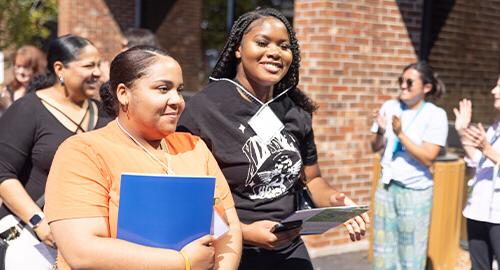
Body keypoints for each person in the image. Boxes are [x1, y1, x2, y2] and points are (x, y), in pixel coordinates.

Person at [177, 8, 369, 270]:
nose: (275, 52)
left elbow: (311, 179)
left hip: (289, 249)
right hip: (229, 249)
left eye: (284, 46)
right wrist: (244, 232)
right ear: (238, 49)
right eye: (262, 42)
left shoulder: (294, 110)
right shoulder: (204, 109)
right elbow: (187, 195)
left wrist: (336, 202)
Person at [44, 45, 242, 270]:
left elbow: (229, 228)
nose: (177, 100)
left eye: (179, 89)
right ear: (123, 93)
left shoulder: (194, 147)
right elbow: (83, 251)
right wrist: (182, 262)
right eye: (163, 88)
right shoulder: (83, 152)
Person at [0, 34, 110, 259]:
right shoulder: (28, 109)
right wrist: (38, 223)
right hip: (33, 241)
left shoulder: (105, 115)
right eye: (89, 65)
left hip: (88, 245)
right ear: (60, 69)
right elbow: (3, 173)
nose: (98, 73)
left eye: (99, 65)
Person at [370, 62, 448, 269]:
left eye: (409, 82)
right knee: (383, 249)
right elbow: (374, 147)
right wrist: (380, 131)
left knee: (410, 251)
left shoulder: (435, 114)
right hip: (386, 187)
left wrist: (400, 135)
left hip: (414, 191)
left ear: (427, 88)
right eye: (401, 81)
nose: (403, 86)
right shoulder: (390, 106)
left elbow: (428, 157)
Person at [455, 75, 500, 270]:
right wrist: (462, 131)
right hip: (479, 210)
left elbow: (488, 153)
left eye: (499, 86)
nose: (494, 91)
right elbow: (480, 161)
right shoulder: (496, 126)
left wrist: (487, 149)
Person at [0, 45, 47, 116]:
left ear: (36, 69)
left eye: (25, 67)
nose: (20, 71)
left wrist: (8, 105)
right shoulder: (9, 89)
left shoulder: (41, 92)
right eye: (18, 66)